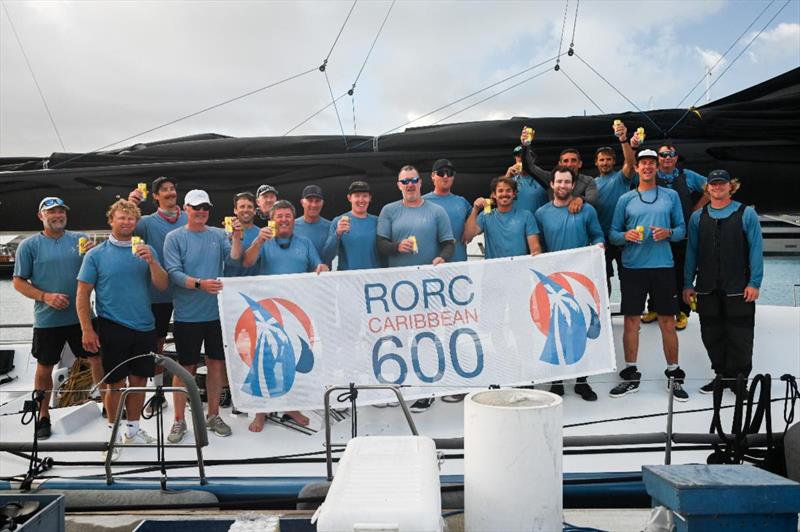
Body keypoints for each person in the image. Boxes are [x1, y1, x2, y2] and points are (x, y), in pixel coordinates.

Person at [76, 199, 169, 460]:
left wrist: (152, 262)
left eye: (131, 219)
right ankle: (113, 434)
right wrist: (87, 329)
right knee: (115, 383)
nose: (126, 222)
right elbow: (82, 294)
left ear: (136, 222)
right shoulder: (96, 254)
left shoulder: (146, 250)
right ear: (111, 221)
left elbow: (162, 286)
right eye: (121, 218)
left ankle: (133, 429)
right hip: (112, 325)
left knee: (139, 381)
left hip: (145, 325)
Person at [12, 197, 103, 440]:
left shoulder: (81, 240)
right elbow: (18, 281)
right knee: (45, 367)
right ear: (41, 216)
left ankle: (108, 405)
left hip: (82, 317)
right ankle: (43, 415)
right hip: (48, 320)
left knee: (96, 358)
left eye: (61, 211)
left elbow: (96, 269)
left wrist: (96, 255)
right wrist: (45, 296)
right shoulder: (29, 246)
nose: (58, 215)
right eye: (52, 212)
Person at [236, 199, 329, 431]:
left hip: (295, 309)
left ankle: (291, 405)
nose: (284, 220)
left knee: (292, 357)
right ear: (272, 219)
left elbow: (319, 266)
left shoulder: (305, 242)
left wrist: (323, 268)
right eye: (280, 216)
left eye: (288, 216)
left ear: (293, 220)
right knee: (264, 359)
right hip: (267, 309)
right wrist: (258, 241)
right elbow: (246, 262)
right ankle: (261, 411)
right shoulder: (263, 240)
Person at [608, 149, 688, 401]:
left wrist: (668, 233)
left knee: (667, 321)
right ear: (637, 168)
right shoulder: (625, 199)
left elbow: (681, 230)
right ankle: (631, 374)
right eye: (643, 163)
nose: (647, 167)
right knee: (631, 322)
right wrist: (626, 236)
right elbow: (613, 234)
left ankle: (674, 374)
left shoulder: (671, 196)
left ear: (656, 167)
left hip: (663, 265)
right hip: (632, 267)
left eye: (651, 163)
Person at [163, 189, 237, 443]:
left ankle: (213, 414)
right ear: (186, 209)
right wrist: (199, 284)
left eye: (205, 207)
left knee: (216, 364)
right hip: (187, 315)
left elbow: (235, 260)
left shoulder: (218, 234)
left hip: (216, 314)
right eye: (196, 208)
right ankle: (179, 420)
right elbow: (173, 272)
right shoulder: (174, 237)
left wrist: (237, 237)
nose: (201, 211)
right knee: (186, 368)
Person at [683, 170, 763, 394]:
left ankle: (739, 381)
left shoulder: (746, 214)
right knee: (711, 333)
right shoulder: (698, 217)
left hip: (738, 287)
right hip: (707, 287)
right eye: (713, 184)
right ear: (707, 188)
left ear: (730, 186)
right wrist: (688, 283)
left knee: (741, 335)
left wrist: (755, 283)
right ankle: (721, 375)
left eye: (722, 184)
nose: (717, 188)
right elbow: (692, 251)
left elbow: (756, 249)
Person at [535, 166, 604, 401]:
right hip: (554, 282)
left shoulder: (586, 210)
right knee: (555, 329)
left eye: (567, 182)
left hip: (581, 278)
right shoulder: (541, 213)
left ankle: (582, 381)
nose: (563, 186)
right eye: (559, 182)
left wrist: (599, 246)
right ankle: (557, 381)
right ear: (552, 185)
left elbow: (597, 235)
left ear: (573, 185)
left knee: (581, 329)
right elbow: (538, 245)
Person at [128, 176, 188, 414]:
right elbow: (123, 226)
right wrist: (132, 203)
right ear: (155, 196)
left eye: (173, 188)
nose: (170, 192)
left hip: (186, 292)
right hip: (158, 294)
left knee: (188, 345)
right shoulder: (146, 222)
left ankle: (186, 389)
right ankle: (158, 392)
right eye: (164, 190)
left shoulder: (187, 216)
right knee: (158, 344)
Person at [639, 143, 709, 330]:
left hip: (682, 234)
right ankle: (653, 308)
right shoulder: (650, 176)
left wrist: (697, 209)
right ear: (658, 159)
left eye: (671, 154)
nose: (667, 158)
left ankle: (683, 312)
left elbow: (710, 188)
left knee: (683, 273)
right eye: (663, 155)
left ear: (676, 158)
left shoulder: (688, 176)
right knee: (656, 272)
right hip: (657, 234)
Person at [377, 165, 455, 268]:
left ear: (420, 182)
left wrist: (443, 257)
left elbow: (449, 244)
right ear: (399, 185)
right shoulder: (388, 210)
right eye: (405, 181)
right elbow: (381, 244)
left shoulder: (438, 211)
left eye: (414, 180)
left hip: (429, 277)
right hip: (399, 279)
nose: (410, 184)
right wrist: (397, 247)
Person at [593, 121, 637, 294]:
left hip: (622, 235)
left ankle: (630, 314)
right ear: (596, 163)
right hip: (601, 239)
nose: (605, 162)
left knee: (627, 276)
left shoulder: (621, 178)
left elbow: (631, 162)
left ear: (614, 161)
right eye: (602, 160)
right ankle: (606, 315)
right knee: (603, 278)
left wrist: (623, 139)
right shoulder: (591, 184)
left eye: (608, 159)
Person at [519, 128, 599, 212]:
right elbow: (529, 167)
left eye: (574, 160)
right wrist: (525, 145)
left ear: (580, 164)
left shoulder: (588, 180)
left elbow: (593, 200)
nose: (569, 164)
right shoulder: (550, 177)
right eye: (565, 161)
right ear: (560, 164)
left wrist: (581, 200)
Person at [463, 176, 542, 259]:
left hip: (519, 269)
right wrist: (475, 209)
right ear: (494, 194)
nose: (504, 194)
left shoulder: (526, 216)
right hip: (493, 270)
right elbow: (467, 236)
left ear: (514, 194)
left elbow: (535, 249)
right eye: (500, 191)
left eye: (508, 190)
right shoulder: (485, 215)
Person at [322, 180, 383, 270]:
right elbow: (327, 257)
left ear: (370, 198)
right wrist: (337, 234)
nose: (361, 200)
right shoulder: (338, 221)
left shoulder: (378, 221)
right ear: (349, 198)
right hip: (349, 280)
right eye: (357, 196)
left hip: (373, 278)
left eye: (365, 196)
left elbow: (386, 252)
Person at [422, 159, 472, 262]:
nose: (445, 176)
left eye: (449, 173)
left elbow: (473, 232)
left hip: (459, 264)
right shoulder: (421, 202)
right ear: (433, 176)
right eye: (441, 173)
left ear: (453, 176)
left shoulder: (462, 202)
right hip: (431, 265)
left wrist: (476, 209)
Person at [223, 192, 261, 277]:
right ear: (235, 210)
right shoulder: (225, 233)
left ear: (255, 211)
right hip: (230, 285)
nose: (246, 210)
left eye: (250, 207)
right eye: (242, 206)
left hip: (256, 286)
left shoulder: (261, 234)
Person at [506, 145, 549, 217]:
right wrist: (507, 177)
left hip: (539, 225)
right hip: (517, 225)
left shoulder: (543, 177)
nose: (521, 158)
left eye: (525, 156)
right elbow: (494, 199)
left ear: (533, 159)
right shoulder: (510, 180)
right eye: (518, 156)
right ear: (515, 159)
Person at [293, 185, 332, 262]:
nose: (313, 205)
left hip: (324, 273)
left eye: (317, 201)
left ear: (322, 203)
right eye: (310, 200)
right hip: (299, 273)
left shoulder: (331, 227)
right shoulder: (291, 226)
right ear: (302, 202)